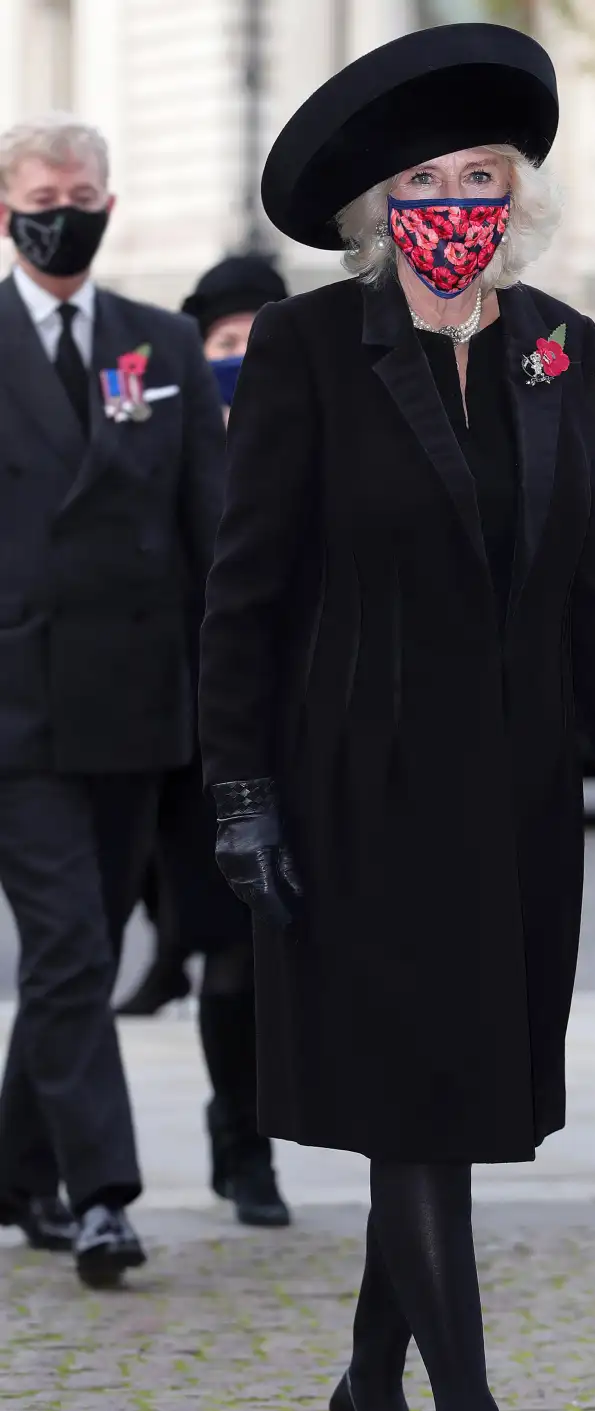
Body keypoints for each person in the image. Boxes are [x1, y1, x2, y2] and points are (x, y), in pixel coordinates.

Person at [199, 23, 595, 1411]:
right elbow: (244, 593)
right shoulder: (306, 352)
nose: (456, 201)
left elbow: (588, 581)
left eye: (481, 175)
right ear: (377, 212)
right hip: (358, 794)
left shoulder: (558, 342)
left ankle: (365, 1378)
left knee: (459, 1104)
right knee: (417, 1110)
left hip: (519, 800)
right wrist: (241, 794)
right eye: (424, 180)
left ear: (519, 197)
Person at [0, 113, 224, 1286]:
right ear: (6, 206)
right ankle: (104, 1194)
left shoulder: (162, 344)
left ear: (109, 204)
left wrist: (226, 683)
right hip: (18, 705)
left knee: (71, 956)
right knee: (71, 947)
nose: (66, 206)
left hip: (139, 703)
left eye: (84, 189)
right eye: (46, 189)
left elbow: (212, 525)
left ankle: (15, 1167)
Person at [117, 254, 291, 1230]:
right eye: (225, 345)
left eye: (257, 343)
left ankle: (255, 1131)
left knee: (265, 952)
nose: (241, 362)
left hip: (289, 731)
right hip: (188, 731)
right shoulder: (162, 432)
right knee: (223, 943)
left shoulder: (314, 435)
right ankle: (237, 1138)